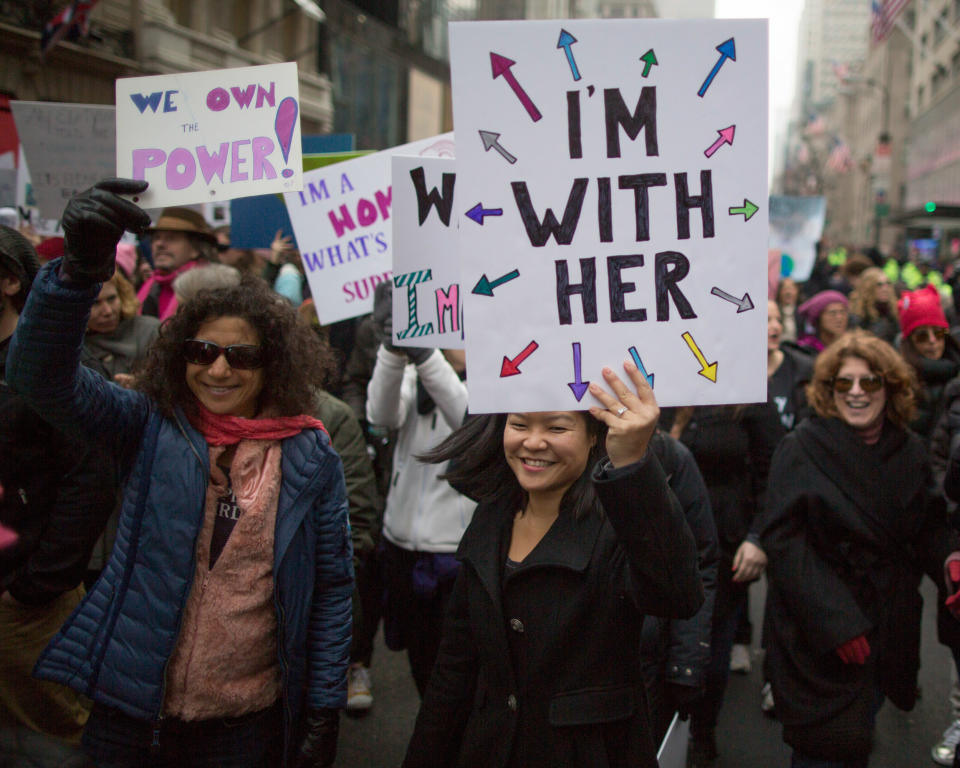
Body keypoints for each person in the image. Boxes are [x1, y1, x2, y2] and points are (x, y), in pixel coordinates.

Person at [6, 179, 354, 768]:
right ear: (178, 355)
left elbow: (330, 592)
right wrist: (77, 272)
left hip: (245, 722)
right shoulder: (147, 423)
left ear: (273, 366)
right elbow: (39, 377)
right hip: (129, 710)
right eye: (200, 351)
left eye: (240, 356)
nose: (218, 369)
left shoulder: (310, 455)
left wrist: (323, 709)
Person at [401, 362, 702, 768]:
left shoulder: (621, 524)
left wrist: (632, 464)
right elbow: (455, 665)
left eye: (557, 428)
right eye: (519, 424)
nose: (533, 443)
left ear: (595, 436)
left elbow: (678, 594)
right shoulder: (491, 517)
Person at [761, 329, 960, 767]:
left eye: (869, 382)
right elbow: (785, 544)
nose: (856, 392)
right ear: (828, 390)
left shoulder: (907, 450)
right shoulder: (802, 448)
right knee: (824, 751)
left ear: (890, 388)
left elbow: (926, 524)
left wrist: (949, 558)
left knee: (856, 743)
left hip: (884, 631)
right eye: (843, 383)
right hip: (817, 636)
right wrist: (837, 623)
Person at [0, 225, 117, 751]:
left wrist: (34, 587)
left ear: (8, 280)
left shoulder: (53, 368)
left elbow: (90, 480)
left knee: (53, 739)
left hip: (25, 607)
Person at [366, 283, 476, 699]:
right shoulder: (417, 371)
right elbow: (381, 414)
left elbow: (466, 420)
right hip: (400, 544)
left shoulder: (497, 379)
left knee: (453, 675)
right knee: (419, 660)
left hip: (453, 553)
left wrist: (427, 356)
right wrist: (393, 349)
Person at [640, 431, 718, 744]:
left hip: (646, 664)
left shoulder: (670, 456)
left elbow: (699, 561)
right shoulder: (552, 444)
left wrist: (685, 662)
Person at [897, 284, 960, 441]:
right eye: (922, 336)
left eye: (938, 333)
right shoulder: (900, 381)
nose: (932, 341)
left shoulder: (956, 369)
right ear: (910, 342)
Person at [82, 269, 159, 387]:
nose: (107, 311)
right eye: (95, 303)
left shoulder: (152, 331)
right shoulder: (77, 347)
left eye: (111, 299)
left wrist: (143, 385)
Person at [137, 206, 216, 320]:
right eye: (156, 238)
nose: (159, 244)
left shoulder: (210, 290)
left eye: (171, 238)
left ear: (195, 249)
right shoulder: (151, 284)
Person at [848, 267, 899, 345]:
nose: (885, 289)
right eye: (879, 285)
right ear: (868, 287)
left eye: (888, 284)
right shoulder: (858, 316)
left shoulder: (894, 313)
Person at [797, 290, 849, 354]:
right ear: (818, 318)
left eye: (842, 312)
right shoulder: (806, 350)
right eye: (832, 313)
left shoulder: (851, 346)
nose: (839, 318)